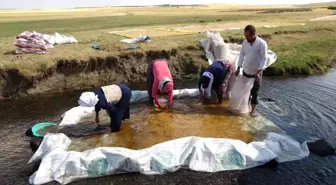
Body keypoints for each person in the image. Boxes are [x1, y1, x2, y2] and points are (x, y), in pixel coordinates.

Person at [236, 25, 267, 116]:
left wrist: (259, 72)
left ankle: (253, 111)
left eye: (248, 36)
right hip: (246, 71)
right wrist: (238, 67)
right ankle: (246, 106)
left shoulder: (261, 43)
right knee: (246, 91)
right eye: (245, 36)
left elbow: (264, 58)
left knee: (254, 92)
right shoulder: (245, 43)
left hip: (256, 73)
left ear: (253, 34)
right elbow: (242, 55)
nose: (246, 38)